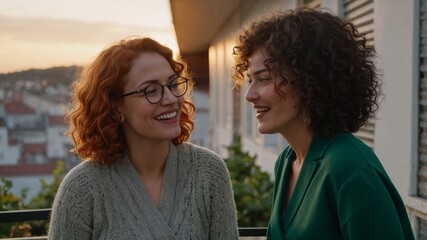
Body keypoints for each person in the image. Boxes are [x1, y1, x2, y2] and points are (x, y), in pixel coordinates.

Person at [232, 8, 414, 240]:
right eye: (250, 80)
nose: (249, 95)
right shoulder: (286, 162)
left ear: (309, 79)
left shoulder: (351, 169)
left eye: (263, 79)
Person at [48, 37, 239, 239]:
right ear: (115, 107)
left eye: (173, 85)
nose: (171, 99)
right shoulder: (82, 189)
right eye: (151, 90)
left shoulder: (209, 172)